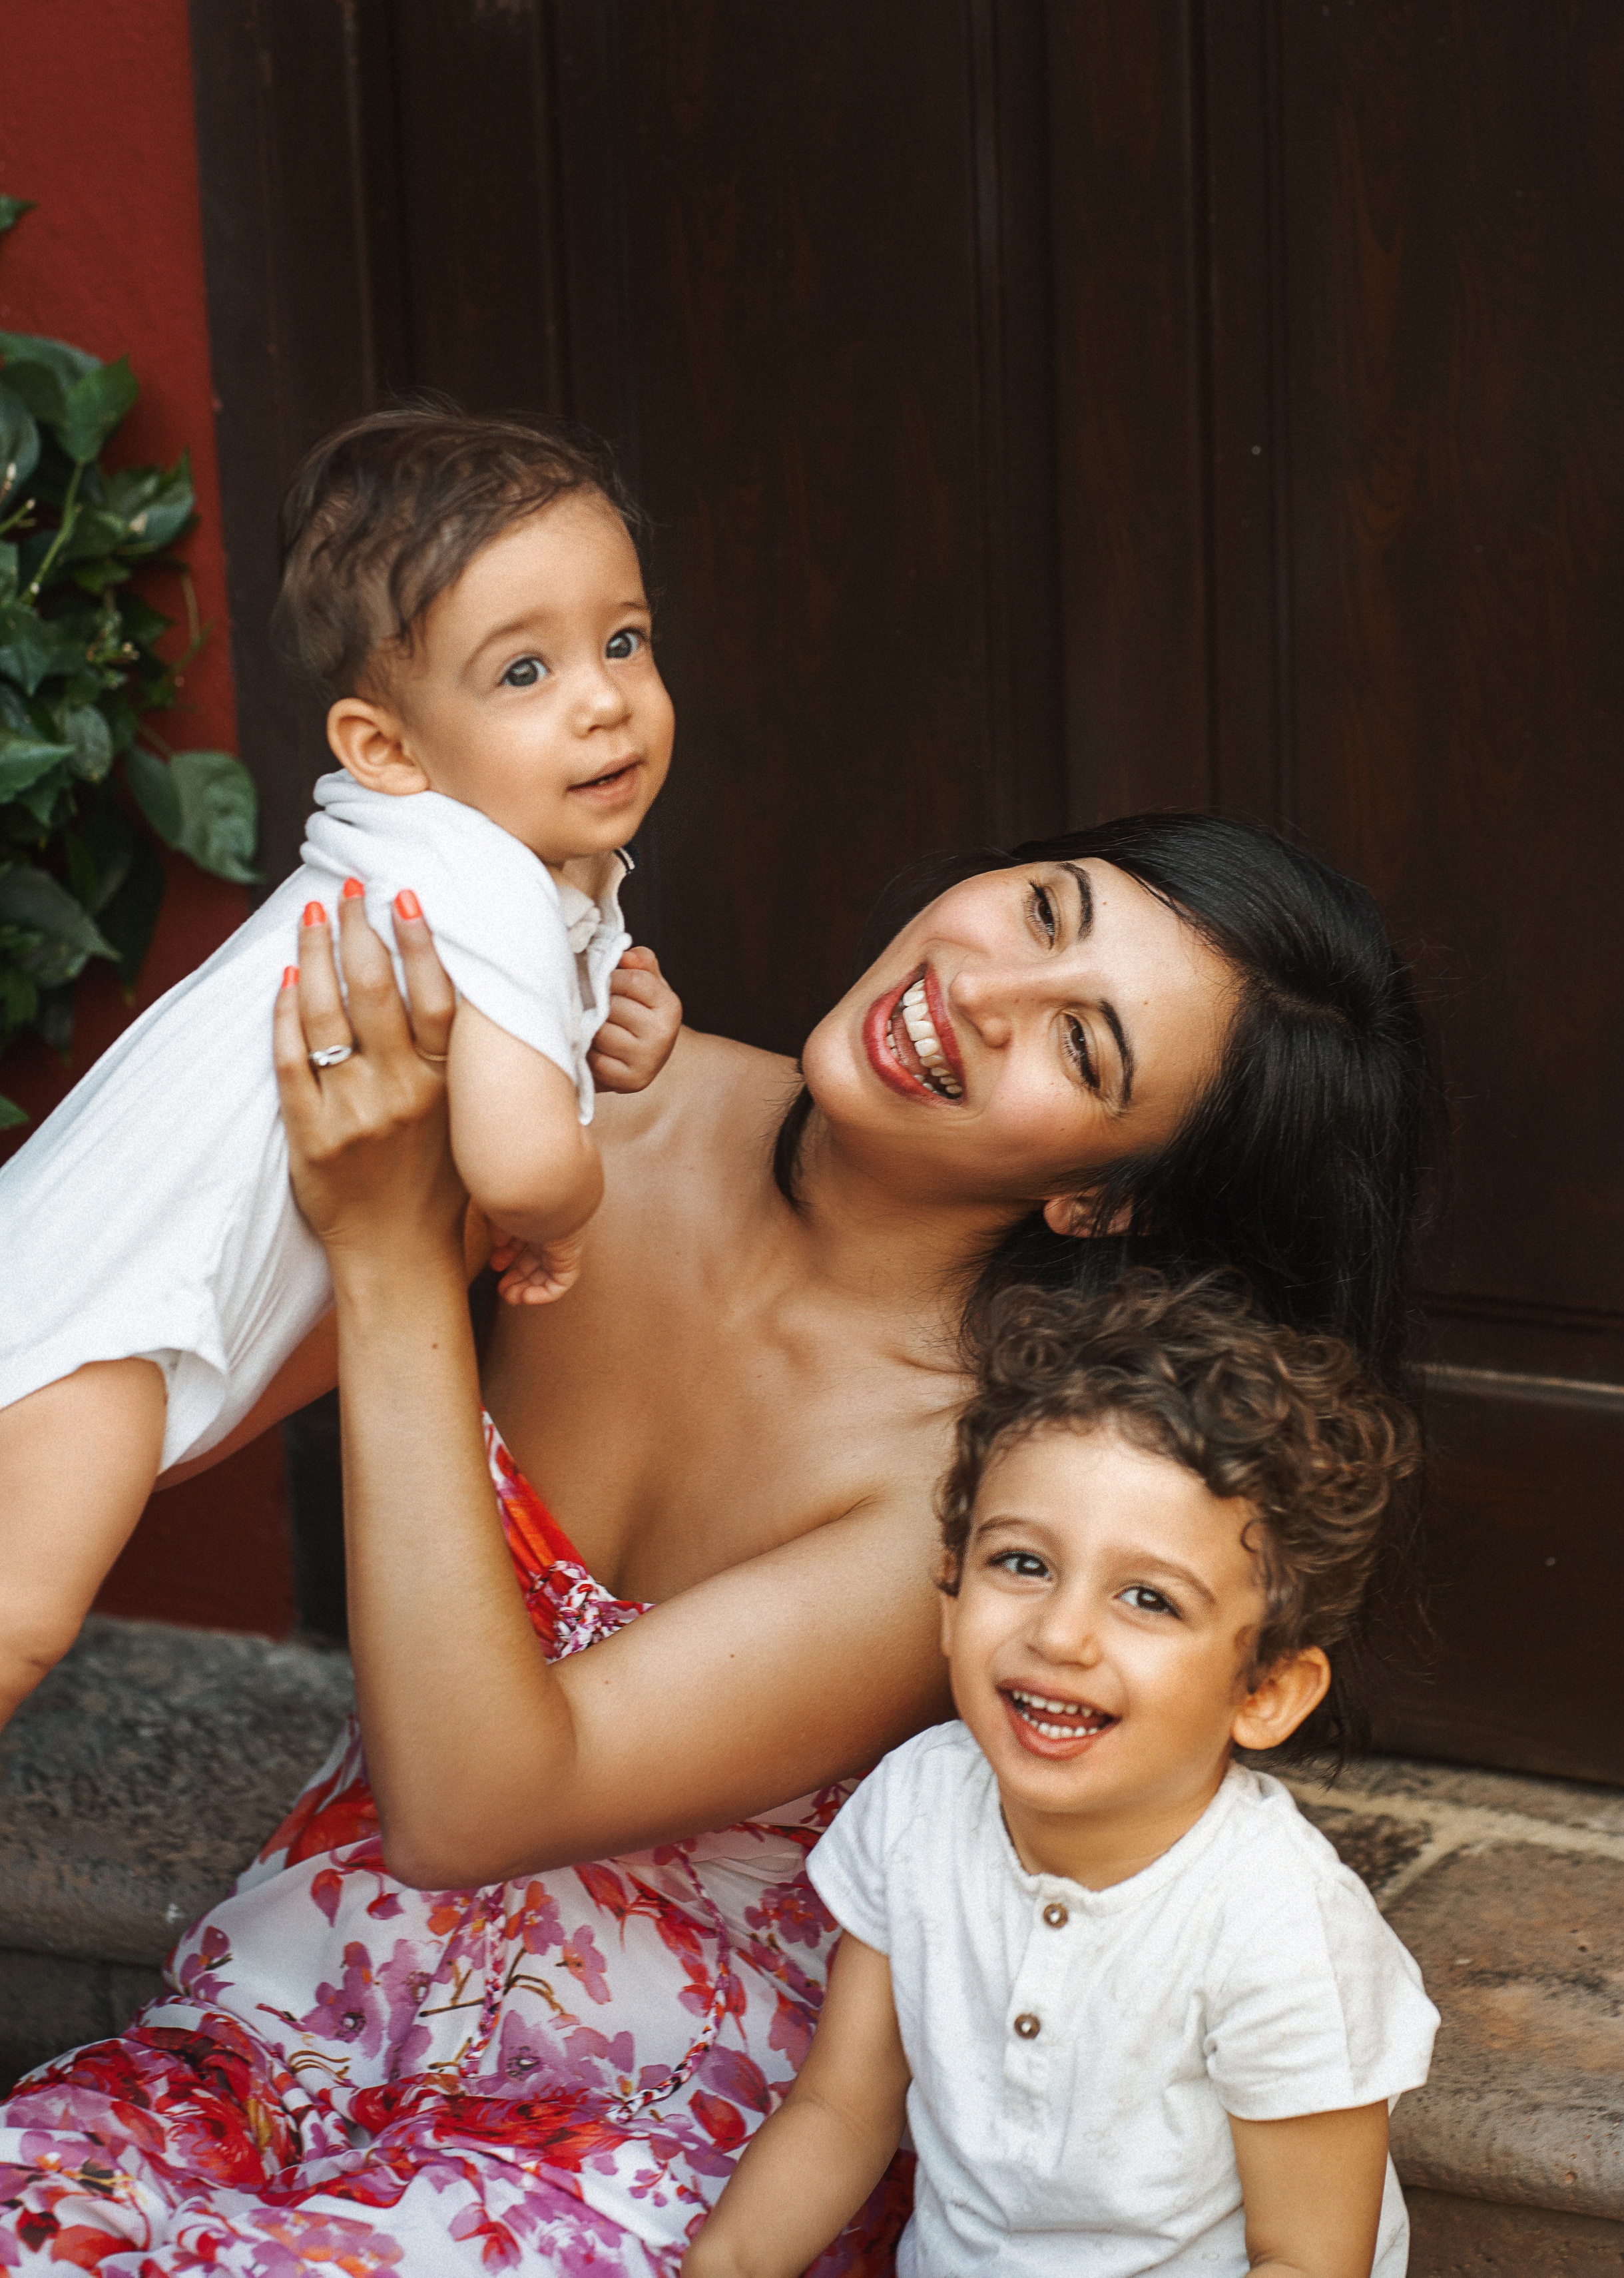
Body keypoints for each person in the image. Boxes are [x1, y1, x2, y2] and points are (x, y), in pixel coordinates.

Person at [0, 812, 1438, 2273]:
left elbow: (472, 1805)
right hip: (295, 2001)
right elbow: (170, 1391)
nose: (983, 995)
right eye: (1047, 911)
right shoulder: (563, 1101)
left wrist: (393, 1258)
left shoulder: (995, 1479)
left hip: (653, 2140)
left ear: (1101, 1197)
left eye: (1080, 1050)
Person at [0, 406, 682, 1732]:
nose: (602, 697)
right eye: (523, 672)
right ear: (386, 748)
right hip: (111, 1305)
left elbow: (539, 1034)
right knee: (19, 1613)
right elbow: (521, 1154)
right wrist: (558, 1216)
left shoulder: (488, 858)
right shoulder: (476, 867)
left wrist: (617, 1021)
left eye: (622, 639)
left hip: (112, 1275)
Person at [682, 1273, 1438, 2278]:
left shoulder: (1277, 1924)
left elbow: (1306, 2259)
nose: (1061, 1633)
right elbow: (839, 2108)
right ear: (950, 1593)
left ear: (1263, 1690)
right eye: (1024, 1563)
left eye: (1148, 1598)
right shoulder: (919, 1803)